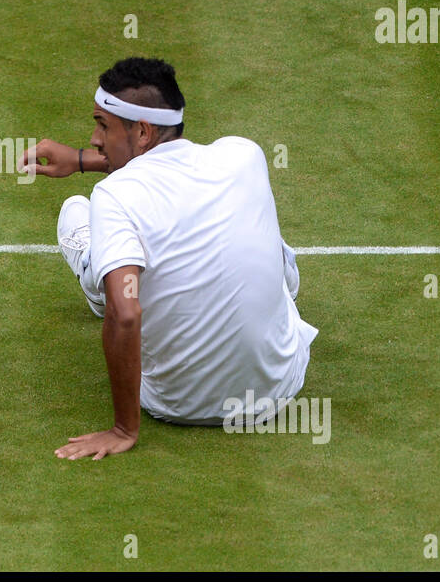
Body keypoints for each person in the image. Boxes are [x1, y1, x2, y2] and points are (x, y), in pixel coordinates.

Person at [21, 58, 317, 460]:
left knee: (76, 210)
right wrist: (80, 160)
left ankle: (97, 285)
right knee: (269, 245)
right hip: (277, 392)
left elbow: (125, 315)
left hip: (178, 404)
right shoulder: (244, 155)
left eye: (103, 125)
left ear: (142, 131)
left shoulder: (114, 196)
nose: (93, 138)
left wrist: (123, 429)